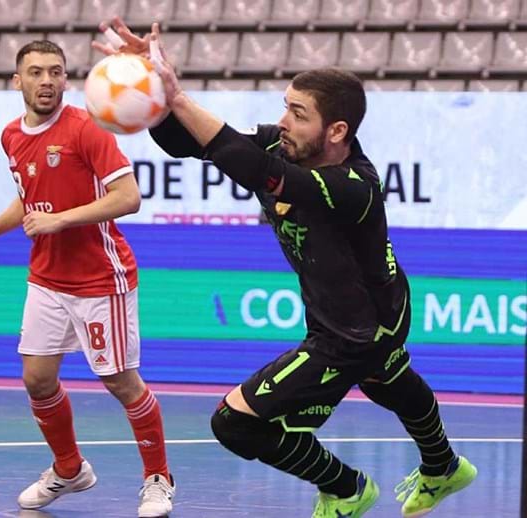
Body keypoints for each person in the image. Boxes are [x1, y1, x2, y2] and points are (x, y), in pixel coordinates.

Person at [94, 19, 477, 518]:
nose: (284, 122)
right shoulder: (283, 141)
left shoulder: (352, 186)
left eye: (298, 113)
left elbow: (261, 173)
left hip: (355, 332)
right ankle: (444, 466)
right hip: (361, 313)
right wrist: (154, 97)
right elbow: (190, 144)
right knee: (389, 377)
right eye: (285, 108)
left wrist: (180, 97)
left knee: (234, 422)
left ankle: (345, 488)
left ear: (336, 131)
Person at [0, 40, 175, 517]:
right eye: (35, 72)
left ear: (66, 80)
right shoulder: (12, 135)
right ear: (18, 81)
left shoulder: (87, 129)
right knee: (37, 379)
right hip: (47, 277)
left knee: (121, 382)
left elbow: (128, 197)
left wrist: (60, 220)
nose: (46, 81)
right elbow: (29, 198)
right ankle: (70, 468)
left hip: (101, 277)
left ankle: (158, 478)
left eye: (55, 72)